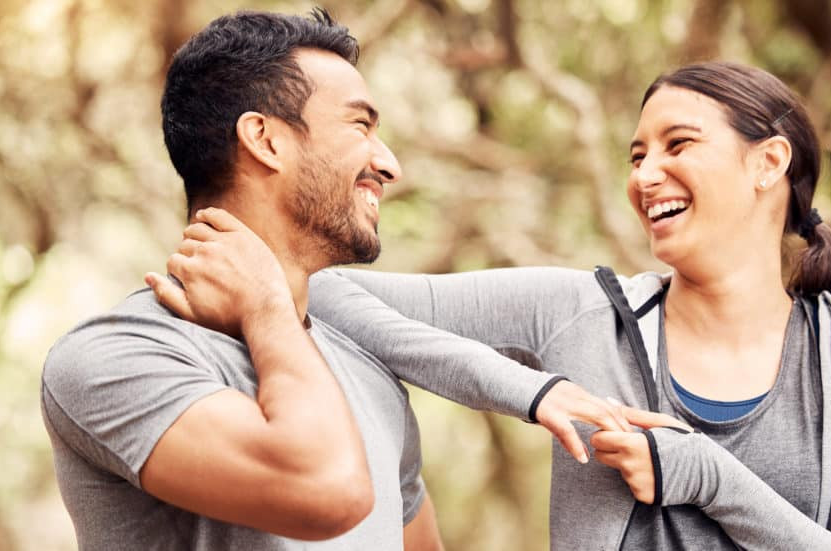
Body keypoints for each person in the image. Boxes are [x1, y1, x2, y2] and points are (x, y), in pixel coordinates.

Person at [41, 9, 624, 549]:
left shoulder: (364, 369)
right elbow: (329, 492)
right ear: (265, 140)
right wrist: (267, 308)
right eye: (359, 126)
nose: (389, 164)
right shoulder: (115, 356)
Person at [304, 62, 831, 549]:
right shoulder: (578, 312)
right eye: (637, 155)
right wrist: (534, 392)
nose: (644, 175)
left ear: (769, 163)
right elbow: (324, 289)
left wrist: (708, 475)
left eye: (679, 144)